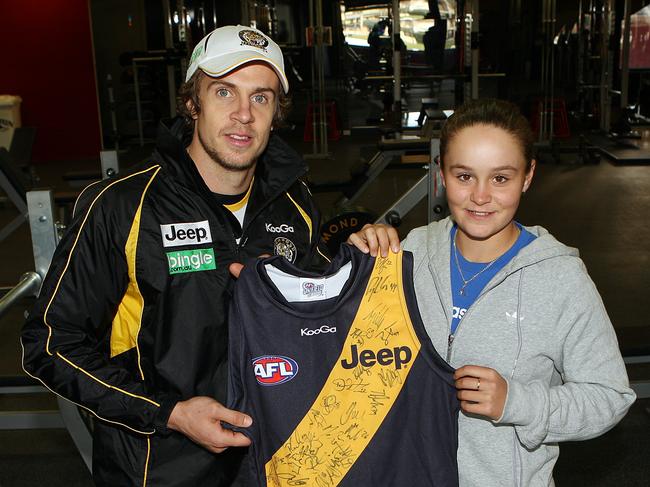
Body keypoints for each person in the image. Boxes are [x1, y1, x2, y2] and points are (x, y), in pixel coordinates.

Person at [21, 25, 330, 487]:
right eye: (224, 91)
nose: (243, 114)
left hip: (272, 461)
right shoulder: (122, 206)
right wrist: (170, 414)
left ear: (276, 113)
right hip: (157, 467)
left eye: (261, 98)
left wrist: (363, 258)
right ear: (192, 102)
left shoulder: (296, 203)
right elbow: (50, 343)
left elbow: (318, 320)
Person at [348, 98, 636, 486]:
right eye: (464, 176)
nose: (481, 196)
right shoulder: (408, 255)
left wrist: (515, 402)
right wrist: (356, 262)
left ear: (528, 176)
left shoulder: (560, 278)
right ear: (441, 175)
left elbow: (609, 397)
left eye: (501, 178)